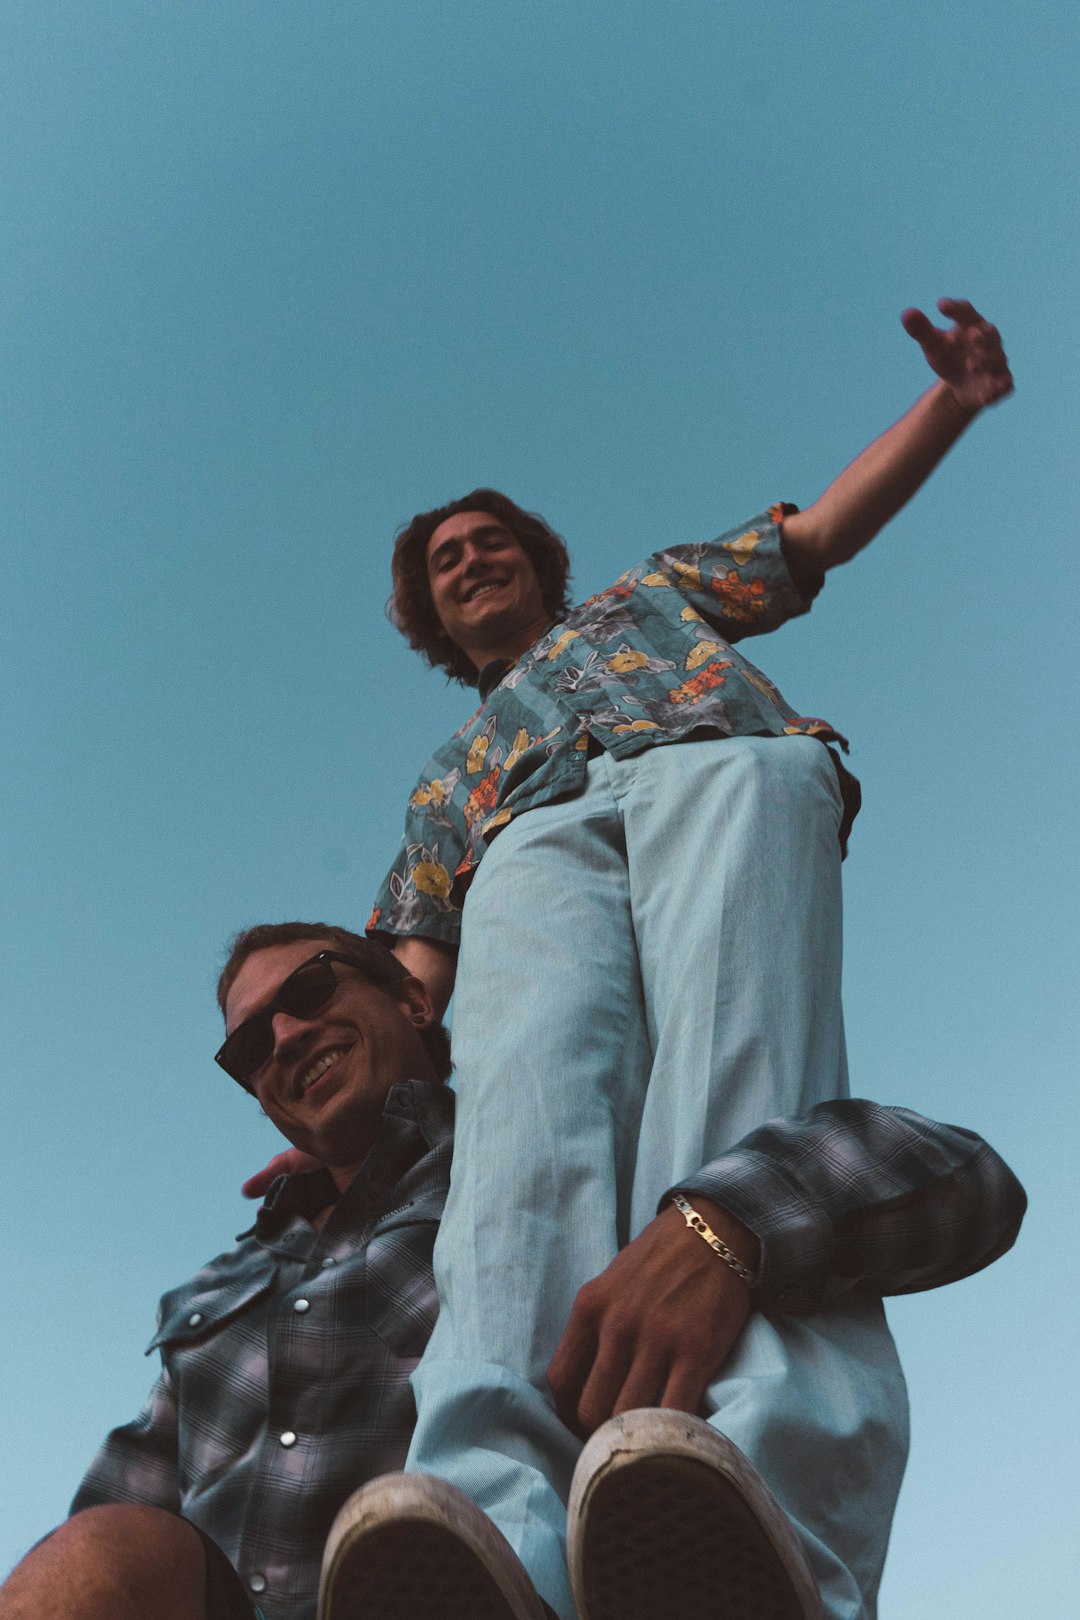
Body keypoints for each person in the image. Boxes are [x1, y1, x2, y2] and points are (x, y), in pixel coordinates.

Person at [357, 301, 1015, 1619]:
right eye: (444, 559)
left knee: (741, 1100)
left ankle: (756, 1485)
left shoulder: (647, 594)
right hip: (529, 839)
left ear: (540, 563)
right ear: (431, 612)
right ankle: (493, 1524)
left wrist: (952, 403)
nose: (471, 558)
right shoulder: (444, 786)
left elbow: (815, 537)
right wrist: (338, 1115)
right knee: (516, 1152)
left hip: (712, 768)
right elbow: (414, 987)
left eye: (490, 541)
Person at [0, 923, 1025, 1620]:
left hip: (494, 1581)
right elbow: (99, 1530)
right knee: (93, 1563)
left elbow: (966, 1179)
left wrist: (725, 1224)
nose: (282, 1038)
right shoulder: (216, 1292)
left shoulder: (545, 1144)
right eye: (245, 1049)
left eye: (311, 991)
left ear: (411, 995)